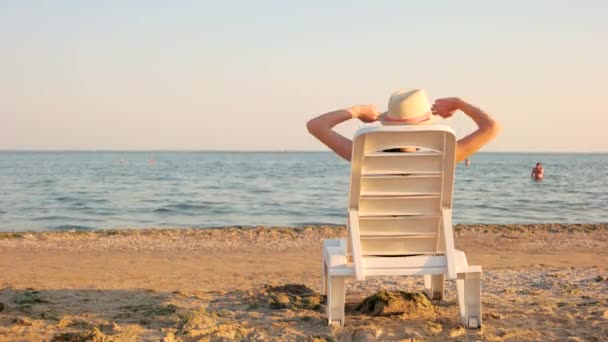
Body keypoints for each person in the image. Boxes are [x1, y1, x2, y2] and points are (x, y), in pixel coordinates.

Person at [306, 89, 501, 163]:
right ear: (425, 125)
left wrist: (356, 111)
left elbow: (316, 125)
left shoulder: (364, 157)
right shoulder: (442, 159)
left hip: (372, 246)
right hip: (425, 247)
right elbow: (491, 127)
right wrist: (459, 103)